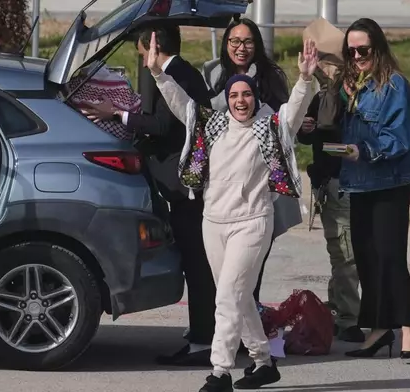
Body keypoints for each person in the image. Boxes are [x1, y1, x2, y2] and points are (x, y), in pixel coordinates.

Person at [149, 31, 319, 391]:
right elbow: (183, 106)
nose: (241, 101)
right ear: (227, 100)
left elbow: (294, 111)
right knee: (236, 296)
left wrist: (305, 79)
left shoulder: (269, 128)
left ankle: (220, 372)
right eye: (234, 96)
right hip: (213, 223)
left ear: (255, 99)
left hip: (253, 223)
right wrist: (159, 75)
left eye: (247, 95)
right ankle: (262, 361)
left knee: (227, 297)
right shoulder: (214, 125)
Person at [84, 26, 216, 367]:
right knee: (196, 263)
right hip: (181, 184)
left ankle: (204, 341)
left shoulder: (174, 76)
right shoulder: (183, 70)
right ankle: (205, 333)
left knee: (197, 265)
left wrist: (116, 114)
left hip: (183, 186)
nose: (143, 60)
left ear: (153, 47)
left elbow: (162, 125)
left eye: (143, 53)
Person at [202, 17, 302, 303]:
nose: (241, 48)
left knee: (248, 272)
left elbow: (285, 125)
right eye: (234, 41)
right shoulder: (211, 73)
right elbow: (201, 117)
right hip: (221, 190)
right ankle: (233, 333)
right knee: (223, 275)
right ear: (226, 44)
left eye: (248, 41)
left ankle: (244, 335)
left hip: (258, 191)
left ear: (257, 45)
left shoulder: (271, 77)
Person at [337, 18, 410, 359]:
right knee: (367, 259)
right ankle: (378, 329)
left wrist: (366, 151)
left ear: (379, 49)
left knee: (390, 258)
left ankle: (408, 329)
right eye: (351, 50)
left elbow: (399, 138)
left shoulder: (395, 86)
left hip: (388, 183)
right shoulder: (355, 87)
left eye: (364, 50)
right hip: (358, 183)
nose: (357, 56)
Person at [297, 65, 363, 342]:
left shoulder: (361, 97)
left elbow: (361, 146)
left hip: (357, 183)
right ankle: (347, 318)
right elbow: (307, 137)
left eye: (330, 63)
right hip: (333, 185)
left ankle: (340, 308)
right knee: (345, 253)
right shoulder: (321, 98)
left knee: (348, 252)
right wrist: (306, 129)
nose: (325, 69)